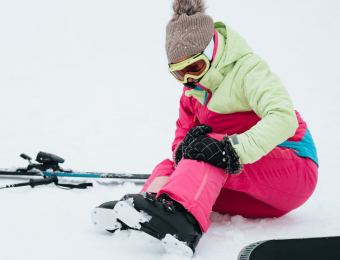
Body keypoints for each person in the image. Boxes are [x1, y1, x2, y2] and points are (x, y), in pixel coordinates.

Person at [92, 0, 318, 257]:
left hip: (293, 169)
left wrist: (231, 150)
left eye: (195, 67)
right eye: (180, 73)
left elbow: (283, 118)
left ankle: (182, 221)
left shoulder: (248, 70)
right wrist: (183, 151)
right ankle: (146, 210)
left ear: (212, 51)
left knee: (207, 151)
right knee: (174, 162)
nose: (190, 78)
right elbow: (180, 142)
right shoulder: (191, 94)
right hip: (252, 192)